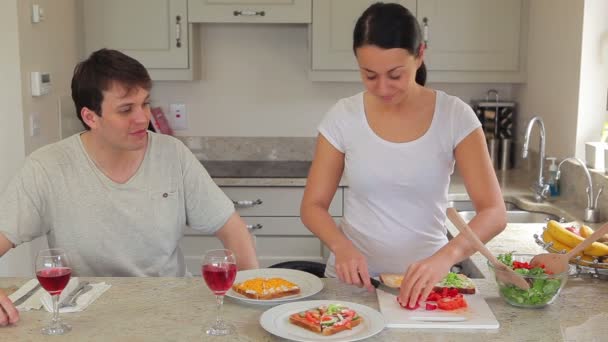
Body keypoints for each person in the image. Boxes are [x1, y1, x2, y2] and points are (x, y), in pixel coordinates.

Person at [0, 49, 258, 325]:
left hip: (171, 311)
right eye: (126, 109)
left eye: (145, 103)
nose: (142, 118)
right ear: (90, 117)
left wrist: (251, 299)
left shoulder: (172, 154)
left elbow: (232, 229)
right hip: (83, 318)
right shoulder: (47, 166)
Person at [301, 2, 506, 309]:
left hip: (428, 286)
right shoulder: (343, 116)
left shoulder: (454, 115)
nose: (382, 88)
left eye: (395, 74)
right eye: (369, 75)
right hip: (353, 285)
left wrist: (445, 258)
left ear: (420, 54)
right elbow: (313, 206)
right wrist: (340, 246)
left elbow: (494, 212)